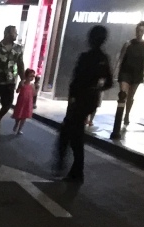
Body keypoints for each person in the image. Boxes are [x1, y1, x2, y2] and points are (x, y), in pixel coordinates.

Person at [56, 26, 114, 182]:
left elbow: (75, 81)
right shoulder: (103, 58)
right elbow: (109, 82)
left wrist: (72, 99)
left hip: (80, 99)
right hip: (90, 100)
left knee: (71, 133)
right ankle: (74, 169)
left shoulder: (86, 57)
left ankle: (71, 167)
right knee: (75, 132)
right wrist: (96, 88)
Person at [112, 21, 144, 139]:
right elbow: (121, 57)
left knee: (130, 97)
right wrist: (115, 71)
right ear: (136, 31)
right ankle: (119, 117)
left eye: (141, 31)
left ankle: (127, 114)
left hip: (137, 73)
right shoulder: (128, 43)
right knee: (123, 94)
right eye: (138, 30)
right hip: (125, 72)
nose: (139, 33)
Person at [12, 69, 37, 134]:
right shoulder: (22, 82)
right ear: (26, 76)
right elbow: (17, 91)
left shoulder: (32, 85)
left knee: (24, 116)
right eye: (30, 76)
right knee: (18, 114)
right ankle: (16, 124)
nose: (31, 78)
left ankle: (19, 129)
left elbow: (34, 94)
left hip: (28, 102)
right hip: (21, 101)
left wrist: (34, 103)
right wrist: (20, 86)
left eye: (33, 76)